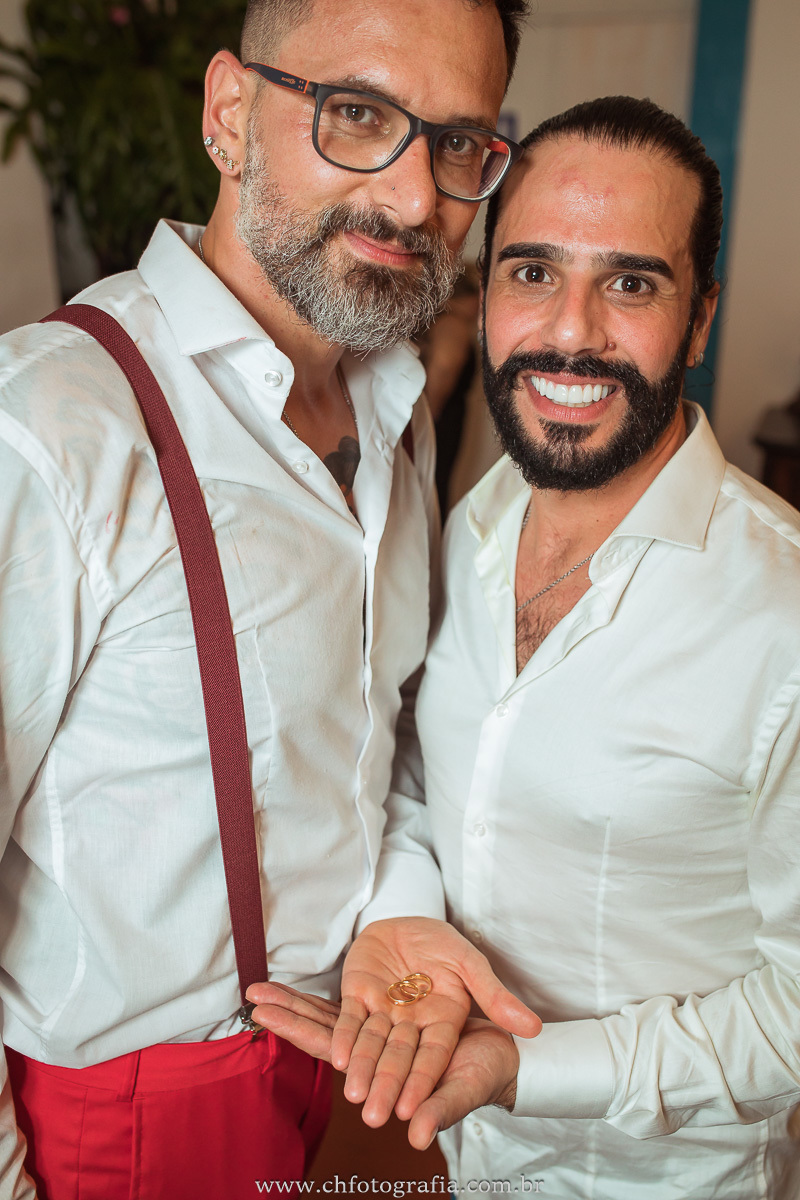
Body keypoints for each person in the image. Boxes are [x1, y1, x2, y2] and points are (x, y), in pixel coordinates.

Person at [0, 1, 540, 1195]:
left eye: (457, 144)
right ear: (230, 114)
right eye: (357, 114)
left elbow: (378, 734)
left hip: (332, 1073)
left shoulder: (396, 418)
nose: (415, 198)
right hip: (105, 1128)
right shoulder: (48, 422)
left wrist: (398, 909)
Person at [249, 97, 800, 1198]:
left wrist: (525, 1069)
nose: (570, 332)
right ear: (487, 291)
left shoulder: (778, 619)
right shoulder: (474, 520)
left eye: (630, 284)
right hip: (471, 1165)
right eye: (533, 272)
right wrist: (405, 916)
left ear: (698, 320)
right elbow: (422, 770)